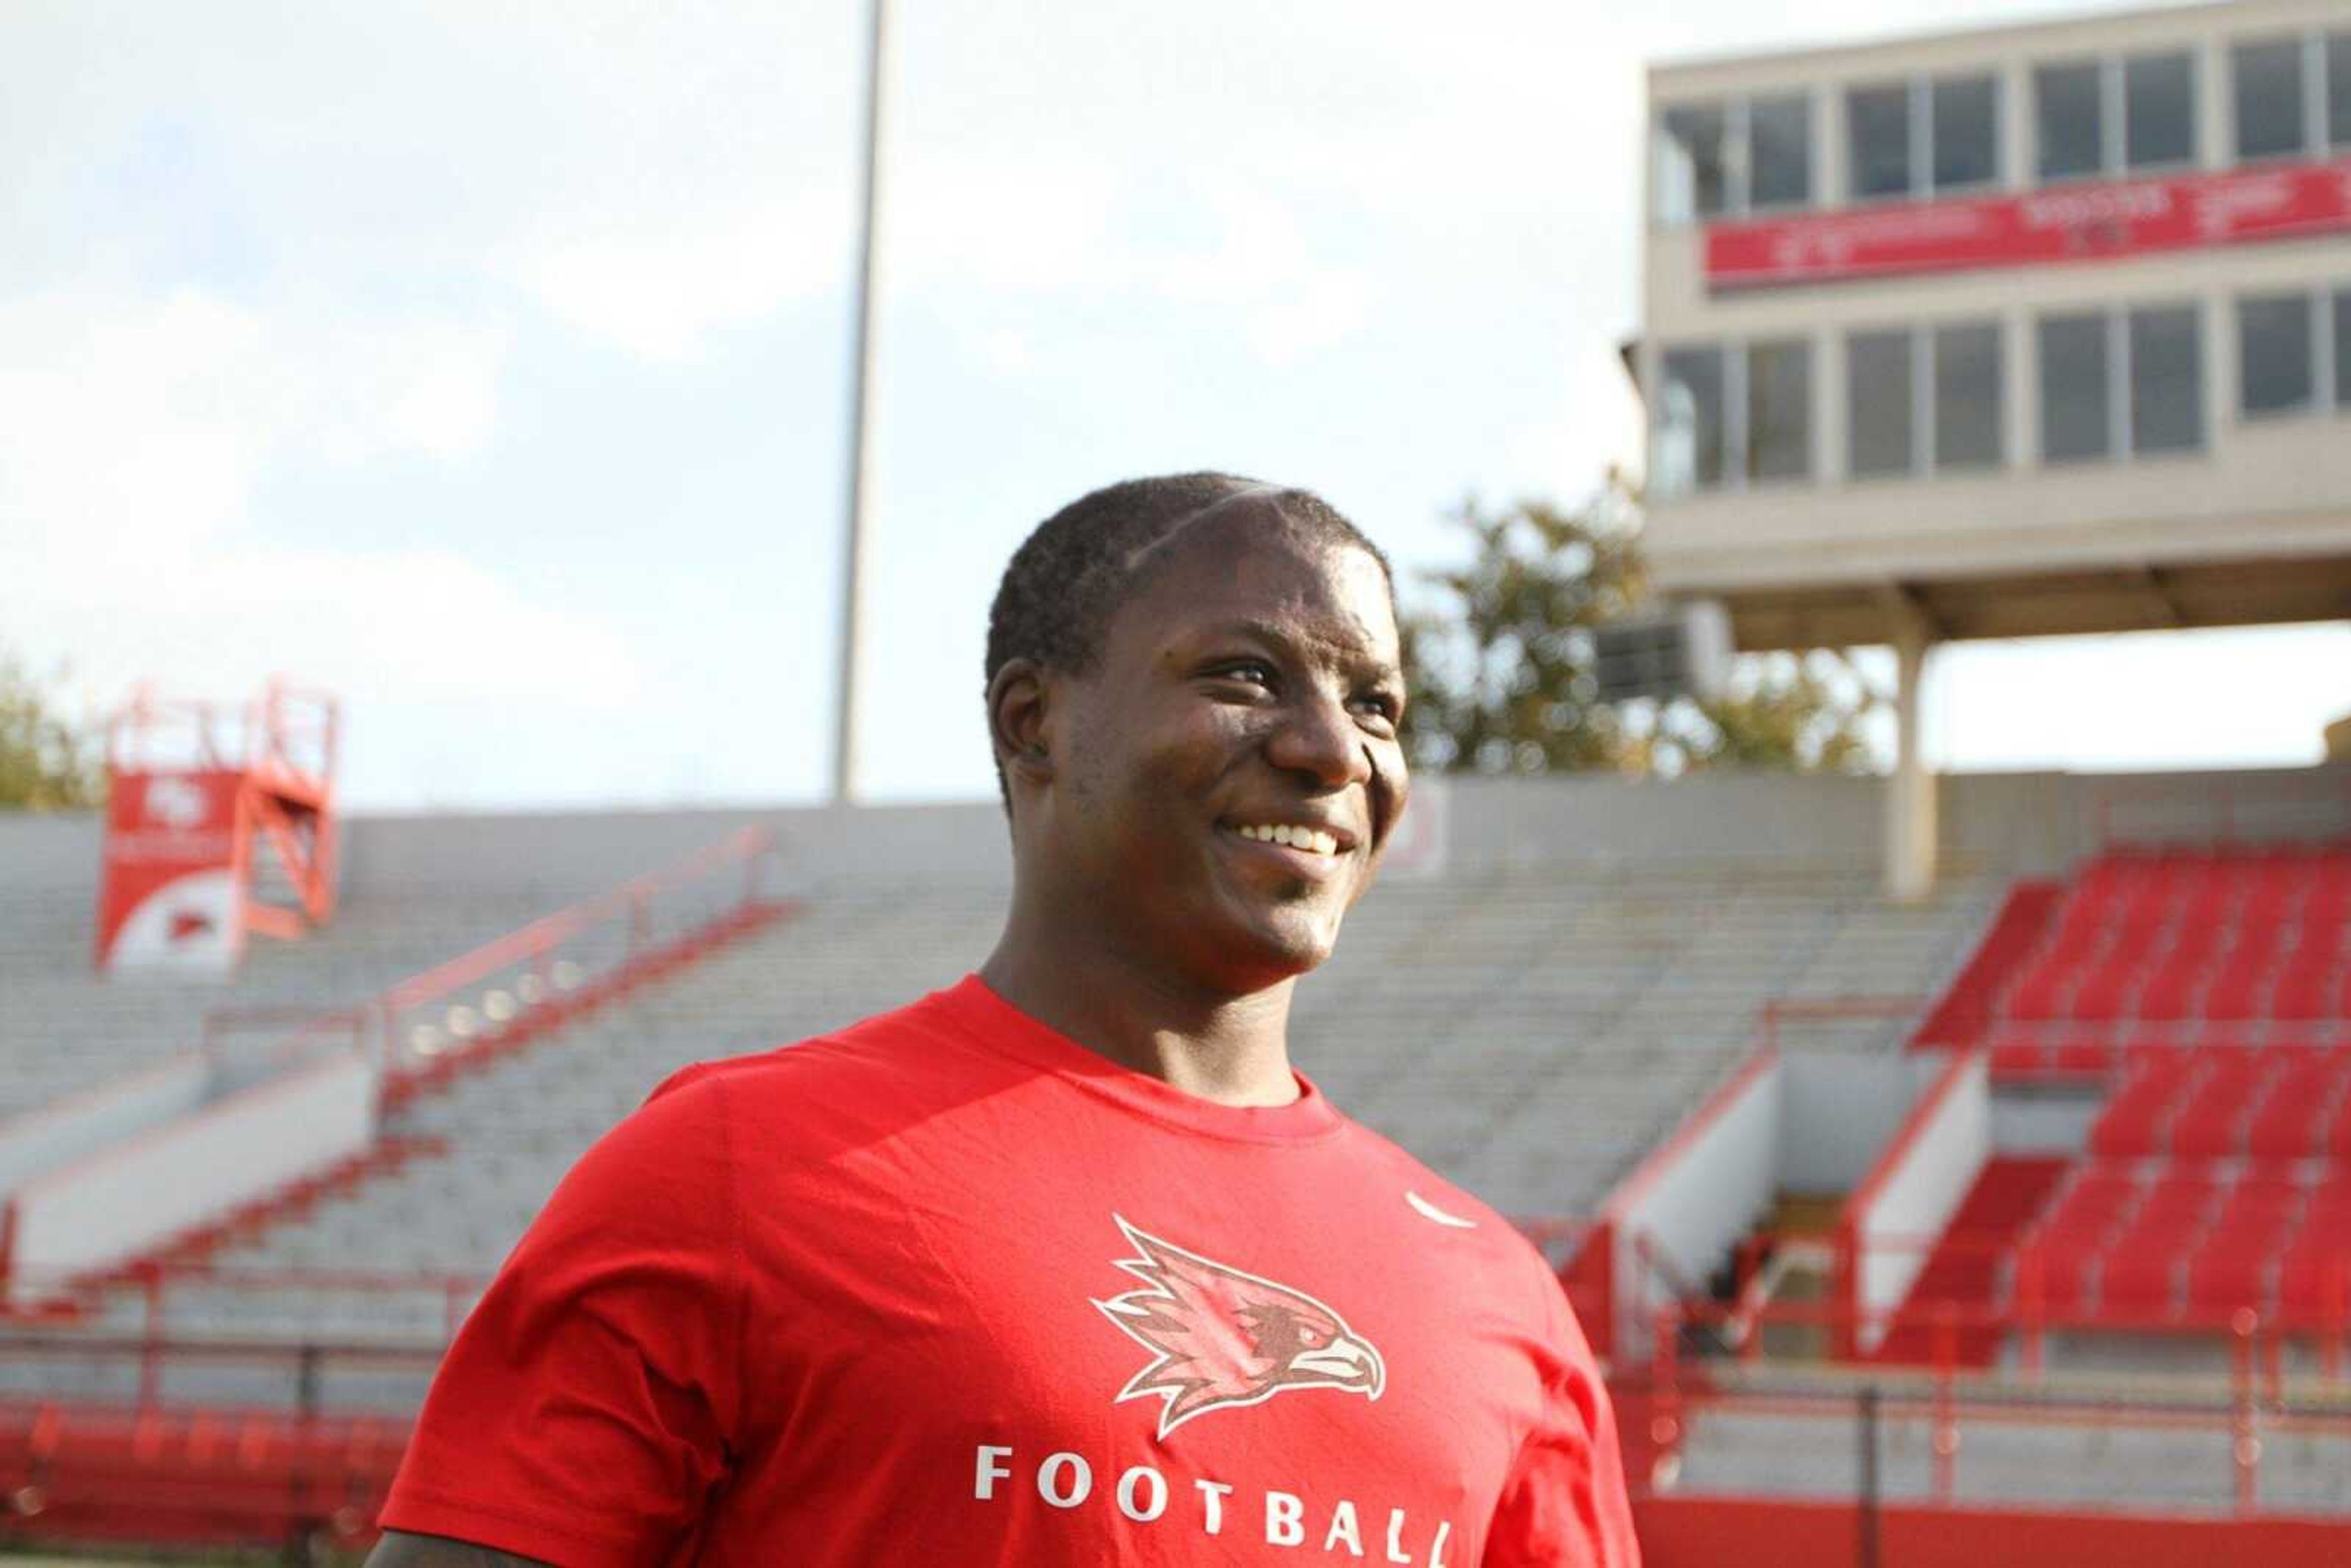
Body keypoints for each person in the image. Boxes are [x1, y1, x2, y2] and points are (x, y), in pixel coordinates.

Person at [369, 474, 1640, 1566]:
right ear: (1033, 724)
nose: (1332, 750)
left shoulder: (1499, 1297)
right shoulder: (734, 1171)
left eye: (1376, 705)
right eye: (1249, 676)